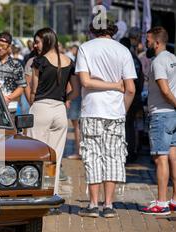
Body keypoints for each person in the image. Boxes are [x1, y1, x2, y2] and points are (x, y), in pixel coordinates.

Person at [75, 20, 137, 218]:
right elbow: (131, 89)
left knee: (92, 156)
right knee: (113, 157)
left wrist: (105, 84)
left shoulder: (85, 48)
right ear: (113, 30)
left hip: (92, 108)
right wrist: (122, 107)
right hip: (115, 111)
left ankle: (93, 205)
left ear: (92, 30)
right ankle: (108, 205)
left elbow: (85, 82)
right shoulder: (123, 51)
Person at [26, 28, 79, 195]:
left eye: (37, 41)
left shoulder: (39, 61)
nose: (35, 45)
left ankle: (35, 192)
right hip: (59, 110)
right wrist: (65, 99)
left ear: (47, 41)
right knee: (55, 156)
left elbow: (33, 90)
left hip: (41, 108)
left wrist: (33, 104)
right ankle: (52, 193)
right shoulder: (69, 61)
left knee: (35, 154)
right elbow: (76, 90)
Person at [141, 27, 176, 215]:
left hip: (161, 114)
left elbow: (164, 90)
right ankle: (174, 200)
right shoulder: (173, 59)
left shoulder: (158, 61)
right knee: (173, 157)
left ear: (157, 42)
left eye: (148, 40)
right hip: (172, 115)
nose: (145, 43)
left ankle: (161, 203)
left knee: (160, 158)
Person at [0, 31, 27, 115]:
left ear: (9, 47)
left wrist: (8, 98)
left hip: (11, 109)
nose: (0, 48)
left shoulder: (16, 65)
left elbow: (22, 86)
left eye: (3, 46)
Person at [120, 37, 144, 163]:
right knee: (131, 125)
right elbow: (140, 80)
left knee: (127, 126)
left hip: (129, 96)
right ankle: (132, 151)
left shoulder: (126, 59)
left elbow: (130, 85)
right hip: (137, 97)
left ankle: (128, 153)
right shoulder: (135, 59)